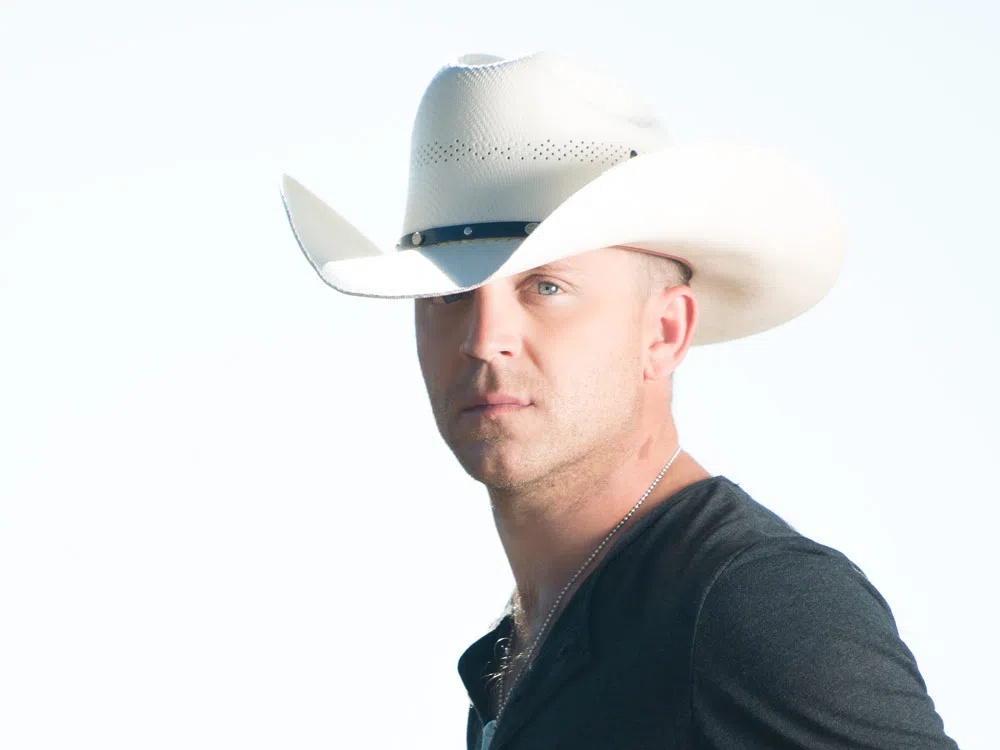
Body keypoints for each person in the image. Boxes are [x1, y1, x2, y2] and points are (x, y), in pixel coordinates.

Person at [279, 52, 958, 749]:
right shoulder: (523, 644)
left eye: (546, 287)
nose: (484, 340)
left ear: (664, 332)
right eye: (449, 295)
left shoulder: (752, 605)